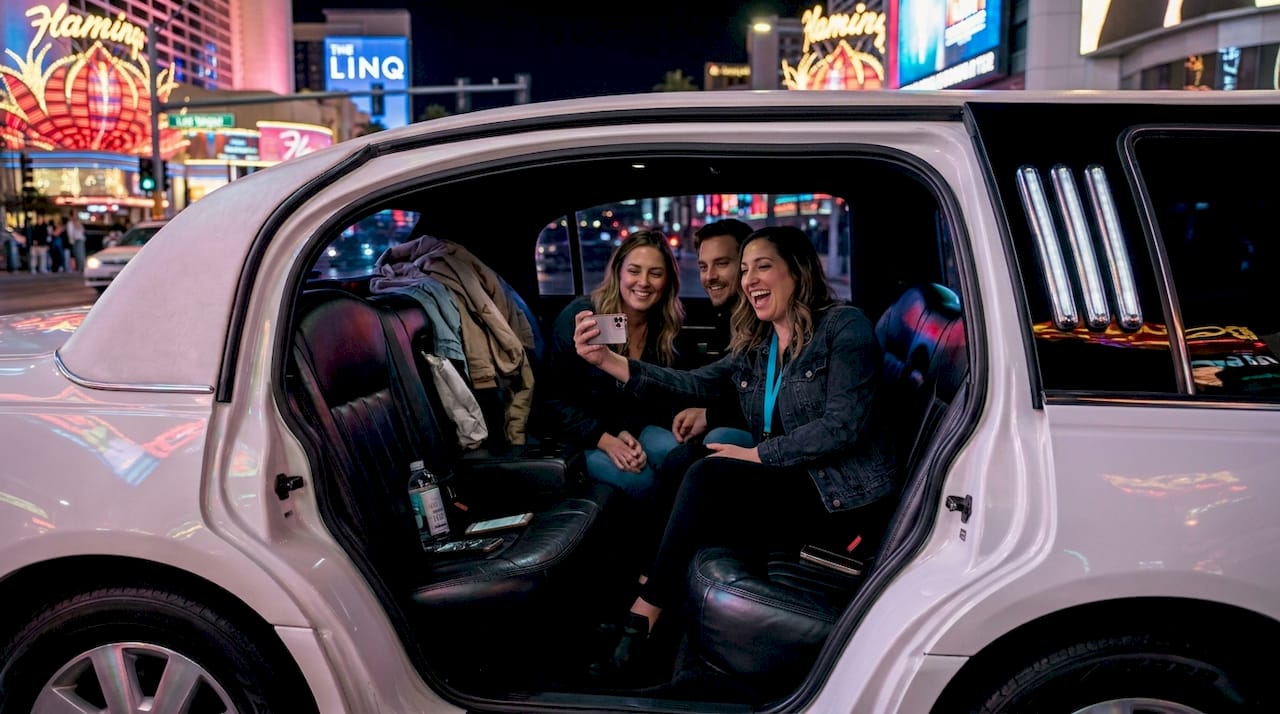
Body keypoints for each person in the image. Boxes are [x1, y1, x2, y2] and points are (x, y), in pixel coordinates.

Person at [574, 225, 897, 681]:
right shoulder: (764, 341)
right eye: (745, 270)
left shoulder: (844, 326)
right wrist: (608, 361)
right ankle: (655, 599)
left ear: (798, 271)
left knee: (711, 476)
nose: (749, 280)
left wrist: (758, 456)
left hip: (842, 497)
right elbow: (694, 383)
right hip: (798, 477)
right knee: (685, 459)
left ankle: (642, 619)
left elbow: (843, 427)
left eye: (762, 267)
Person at [542, 229, 685, 501]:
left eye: (655, 273)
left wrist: (630, 435)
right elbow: (552, 401)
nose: (643, 282)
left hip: (637, 428)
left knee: (680, 456)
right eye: (634, 271)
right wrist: (605, 439)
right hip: (583, 436)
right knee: (641, 480)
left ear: (667, 280)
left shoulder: (664, 327)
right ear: (618, 272)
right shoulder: (582, 317)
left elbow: (664, 394)